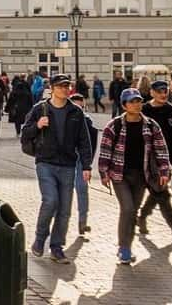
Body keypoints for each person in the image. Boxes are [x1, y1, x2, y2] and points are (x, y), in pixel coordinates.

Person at [20, 74, 93, 264]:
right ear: (52, 88)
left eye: (67, 86)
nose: (64, 89)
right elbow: (25, 134)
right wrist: (37, 125)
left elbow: (84, 141)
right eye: (60, 86)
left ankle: (56, 247)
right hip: (45, 162)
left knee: (65, 209)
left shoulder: (75, 112)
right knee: (51, 200)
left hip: (68, 164)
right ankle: (39, 238)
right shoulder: (40, 109)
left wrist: (86, 166)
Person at [97, 88, 172, 265]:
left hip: (141, 176)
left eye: (138, 101)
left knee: (133, 212)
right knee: (128, 209)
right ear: (124, 105)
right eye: (132, 101)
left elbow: (161, 149)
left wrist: (164, 170)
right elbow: (105, 151)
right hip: (119, 175)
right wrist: (103, 172)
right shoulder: (114, 126)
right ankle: (124, 249)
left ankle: (127, 247)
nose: (136, 104)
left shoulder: (151, 125)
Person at [138, 79, 172, 235]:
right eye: (159, 91)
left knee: (158, 191)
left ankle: (142, 216)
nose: (163, 94)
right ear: (152, 92)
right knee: (161, 192)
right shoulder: (144, 110)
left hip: (166, 159)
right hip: (147, 158)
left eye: (165, 91)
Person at [69, 93, 99, 237]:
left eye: (80, 106)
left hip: (81, 160)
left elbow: (92, 144)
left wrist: (88, 163)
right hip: (66, 160)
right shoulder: (64, 119)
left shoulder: (88, 121)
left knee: (82, 190)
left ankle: (82, 222)